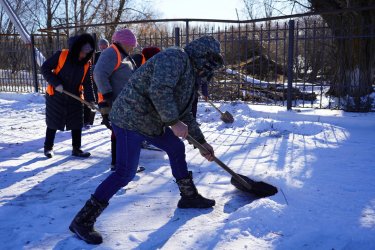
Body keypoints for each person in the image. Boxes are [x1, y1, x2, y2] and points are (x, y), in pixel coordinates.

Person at [69, 36, 224, 245]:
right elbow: (159, 91)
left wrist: (201, 142)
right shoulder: (175, 57)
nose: (206, 72)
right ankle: (83, 220)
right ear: (201, 57)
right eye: (207, 66)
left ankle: (188, 196)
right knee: (125, 172)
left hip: (151, 121)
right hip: (129, 118)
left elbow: (185, 114)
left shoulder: (190, 76)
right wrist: (173, 121)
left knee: (176, 147)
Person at [41, 33, 96, 158]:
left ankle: (76, 149)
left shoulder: (87, 63)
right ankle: (48, 148)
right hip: (56, 95)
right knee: (53, 122)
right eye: (83, 52)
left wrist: (91, 100)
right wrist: (56, 83)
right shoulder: (62, 55)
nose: (84, 55)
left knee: (77, 123)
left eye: (87, 54)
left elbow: (88, 83)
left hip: (75, 95)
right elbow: (45, 68)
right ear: (77, 49)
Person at [93, 29, 137, 169]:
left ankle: (120, 164)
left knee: (122, 133)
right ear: (123, 43)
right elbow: (99, 73)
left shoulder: (123, 54)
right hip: (116, 102)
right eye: (131, 45)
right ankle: (120, 165)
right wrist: (108, 95)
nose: (132, 48)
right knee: (121, 134)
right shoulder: (111, 52)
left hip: (125, 102)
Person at [83, 38, 110, 129]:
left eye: (105, 45)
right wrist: (95, 68)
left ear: (108, 45)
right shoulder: (96, 55)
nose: (103, 47)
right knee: (96, 100)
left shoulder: (111, 54)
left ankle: (106, 118)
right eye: (101, 45)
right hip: (95, 80)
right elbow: (91, 66)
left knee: (106, 100)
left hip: (107, 80)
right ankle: (91, 121)